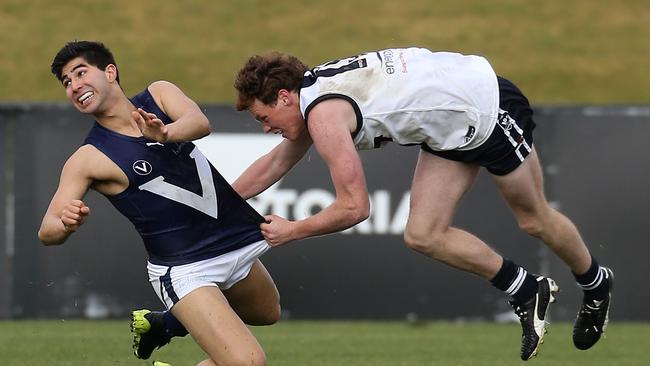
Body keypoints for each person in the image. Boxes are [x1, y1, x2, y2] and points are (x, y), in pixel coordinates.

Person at [232, 47, 613, 361]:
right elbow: (276, 161)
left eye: (263, 117)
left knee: (534, 220)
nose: (266, 128)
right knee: (423, 234)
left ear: (283, 97)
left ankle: (595, 284)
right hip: (449, 126)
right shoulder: (312, 94)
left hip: (488, 109)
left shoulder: (323, 116)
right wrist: (218, 203)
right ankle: (527, 289)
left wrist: (292, 231)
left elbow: (355, 208)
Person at [39, 40, 280, 366]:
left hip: (230, 239)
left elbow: (199, 123)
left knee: (266, 312)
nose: (74, 85)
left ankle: (164, 324)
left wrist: (164, 133)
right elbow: (47, 230)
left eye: (81, 73)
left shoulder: (159, 95)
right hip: (184, 267)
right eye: (67, 82)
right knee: (247, 362)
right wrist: (64, 222)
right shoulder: (88, 158)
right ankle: (169, 320)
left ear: (110, 72)